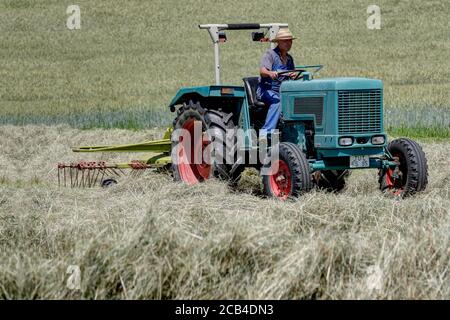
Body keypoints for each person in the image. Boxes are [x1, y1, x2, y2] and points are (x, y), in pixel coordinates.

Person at [256, 28, 297, 136]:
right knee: (277, 101)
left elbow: (291, 73)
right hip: (267, 90)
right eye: (285, 40)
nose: (289, 43)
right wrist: (270, 73)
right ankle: (266, 133)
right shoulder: (270, 55)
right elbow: (262, 70)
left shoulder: (289, 59)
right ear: (278, 42)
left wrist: (293, 75)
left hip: (283, 91)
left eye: (290, 40)